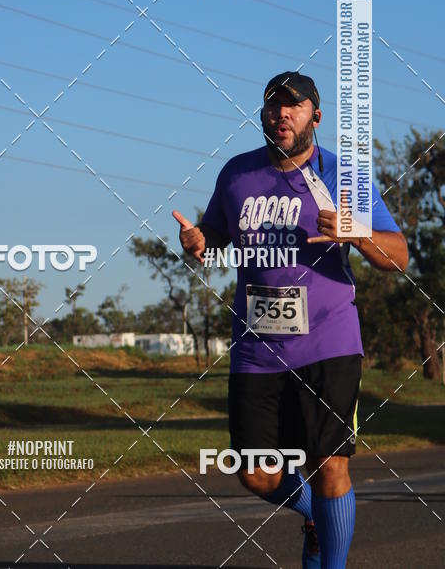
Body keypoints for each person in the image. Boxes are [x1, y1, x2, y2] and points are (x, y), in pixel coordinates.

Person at [173, 71, 408, 568]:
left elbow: (399, 255)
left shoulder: (345, 176)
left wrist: (354, 232)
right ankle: (315, 516)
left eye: (293, 106)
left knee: (329, 465)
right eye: (273, 107)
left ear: (315, 117)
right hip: (257, 349)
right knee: (254, 472)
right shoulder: (237, 175)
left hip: (329, 342)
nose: (281, 114)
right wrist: (199, 241)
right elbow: (215, 232)